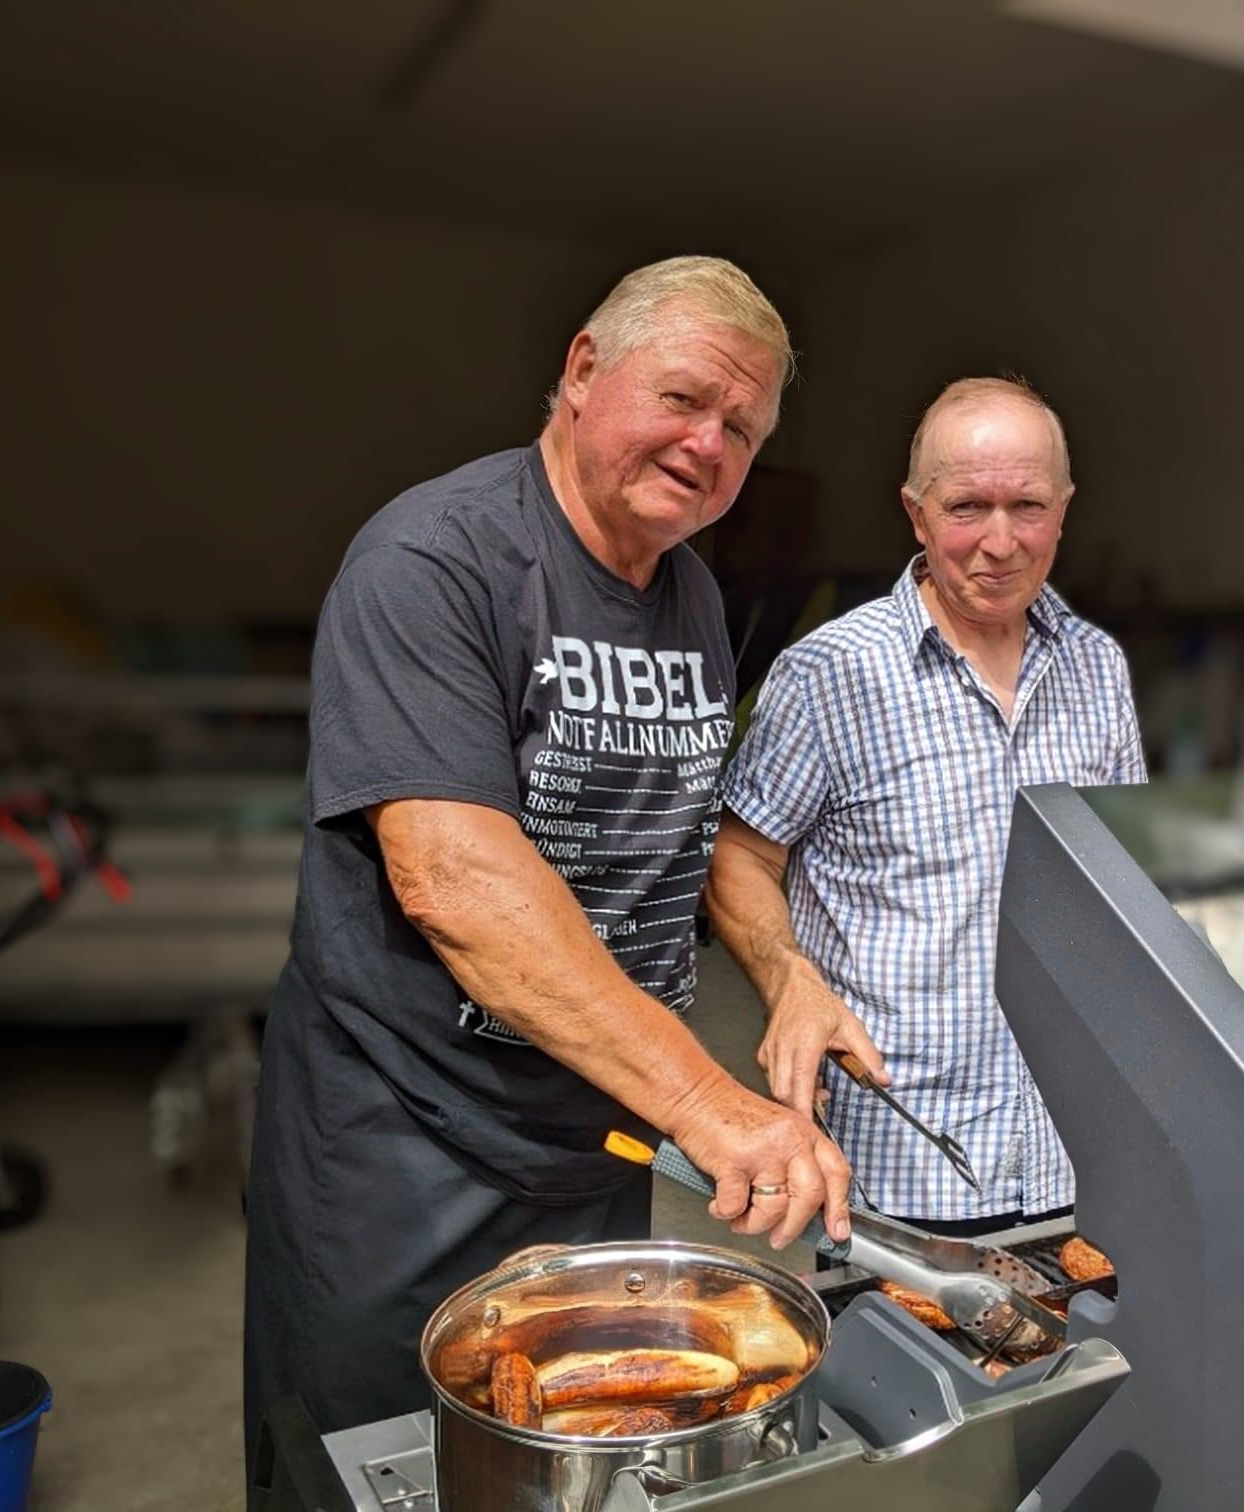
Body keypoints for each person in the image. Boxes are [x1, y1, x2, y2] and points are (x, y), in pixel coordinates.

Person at [243, 257, 853, 1465]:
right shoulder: (435, 560)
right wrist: (706, 1103)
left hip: (596, 1132)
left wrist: (786, 973)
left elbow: (682, 831)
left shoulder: (688, 592)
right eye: (683, 399)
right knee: (378, 1466)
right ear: (582, 370)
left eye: (741, 429)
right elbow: (456, 881)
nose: (708, 444)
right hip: (407, 1137)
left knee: (579, 1452)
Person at [706, 376, 1146, 1232]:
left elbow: (1127, 878)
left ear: (1064, 509)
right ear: (916, 514)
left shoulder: (1098, 667)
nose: (1000, 542)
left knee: (1082, 1325)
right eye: (967, 507)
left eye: (1028, 506)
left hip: (1080, 1147)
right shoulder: (832, 673)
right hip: (906, 1157)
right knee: (904, 1331)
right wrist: (789, 980)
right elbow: (738, 853)